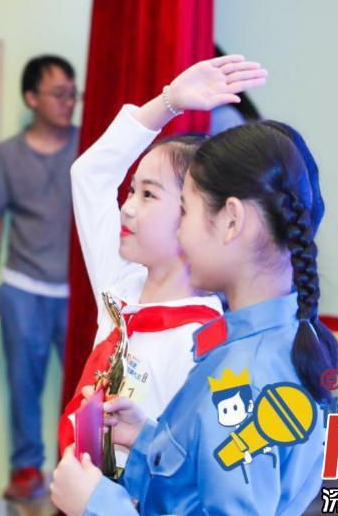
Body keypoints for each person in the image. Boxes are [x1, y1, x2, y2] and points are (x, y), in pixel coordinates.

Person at [50, 120, 338, 515]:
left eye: (185, 211)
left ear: (231, 221)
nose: (181, 234)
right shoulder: (254, 348)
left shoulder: (246, 373)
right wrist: (147, 442)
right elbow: (198, 490)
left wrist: (96, 504)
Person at [59, 57, 268, 464]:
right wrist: (168, 102)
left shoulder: (205, 343)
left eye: (148, 195)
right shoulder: (121, 287)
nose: (127, 208)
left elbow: (196, 466)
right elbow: (90, 176)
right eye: (131, 191)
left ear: (195, 217)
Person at [0, 55, 80, 500]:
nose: (68, 102)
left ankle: (81, 465)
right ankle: (26, 468)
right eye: (59, 94)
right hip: (21, 284)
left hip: (80, 290)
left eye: (72, 94)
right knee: (23, 382)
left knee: (88, 383)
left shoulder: (90, 146)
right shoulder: (6, 156)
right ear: (31, 98)